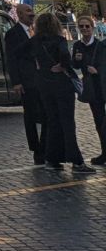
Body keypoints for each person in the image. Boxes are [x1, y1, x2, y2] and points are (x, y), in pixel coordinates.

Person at [31, 11, 94, 175]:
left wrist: (40, 69)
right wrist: (63, 66)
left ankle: (52, 159)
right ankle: (77, 162)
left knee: (53, 122)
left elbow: (20, 54)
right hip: (61, 85)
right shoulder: (59, 40)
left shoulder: (34, 41)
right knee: (67, 123)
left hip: (44, 85)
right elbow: (65, 56)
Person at [4, 4, 46, 165]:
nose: (32, 14)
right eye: (28, 11)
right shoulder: (12, 34)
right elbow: (11, 59)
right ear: (20, 14)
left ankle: (45, 146)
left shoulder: (38, 31)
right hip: (27, 80)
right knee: (30, 116)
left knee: (47, 114)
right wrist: (16, 82)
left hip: (42, 78)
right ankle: (36, 150)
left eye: (32, 11)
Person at [72, 13, 106, 166]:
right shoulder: (77, 46)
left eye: (87, 26)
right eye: (82, 26)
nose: (85, 29)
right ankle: (104, 153)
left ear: (92, 28)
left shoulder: (100, 45)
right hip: (92, 89)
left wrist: (97, 71)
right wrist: (77, 60)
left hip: (102, 84)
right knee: (99, 121)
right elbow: (75, 65)